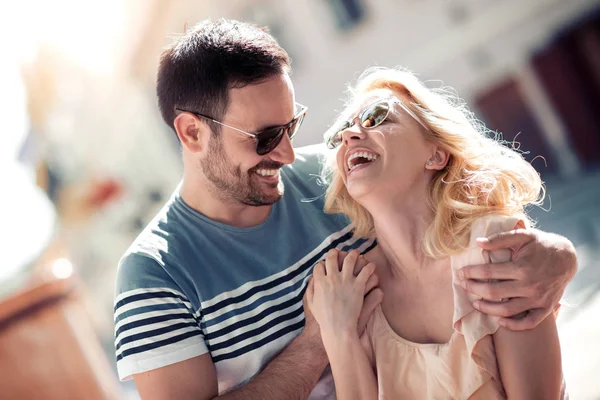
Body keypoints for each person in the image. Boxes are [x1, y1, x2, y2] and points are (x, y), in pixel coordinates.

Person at [114, 19, 577, 400]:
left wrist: (556, 254)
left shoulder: (342, 178)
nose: (290, 154)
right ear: (192, 133)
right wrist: (320, 340)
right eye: (264, 137)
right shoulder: (154, 275)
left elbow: (458, 210)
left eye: (291, 126)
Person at [307, 67, 568, 399]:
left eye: (376, 117)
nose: (350, 135)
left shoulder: (493, 247)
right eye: (341, 131)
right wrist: (337, 332)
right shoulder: (352, 288)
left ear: (436, 154)